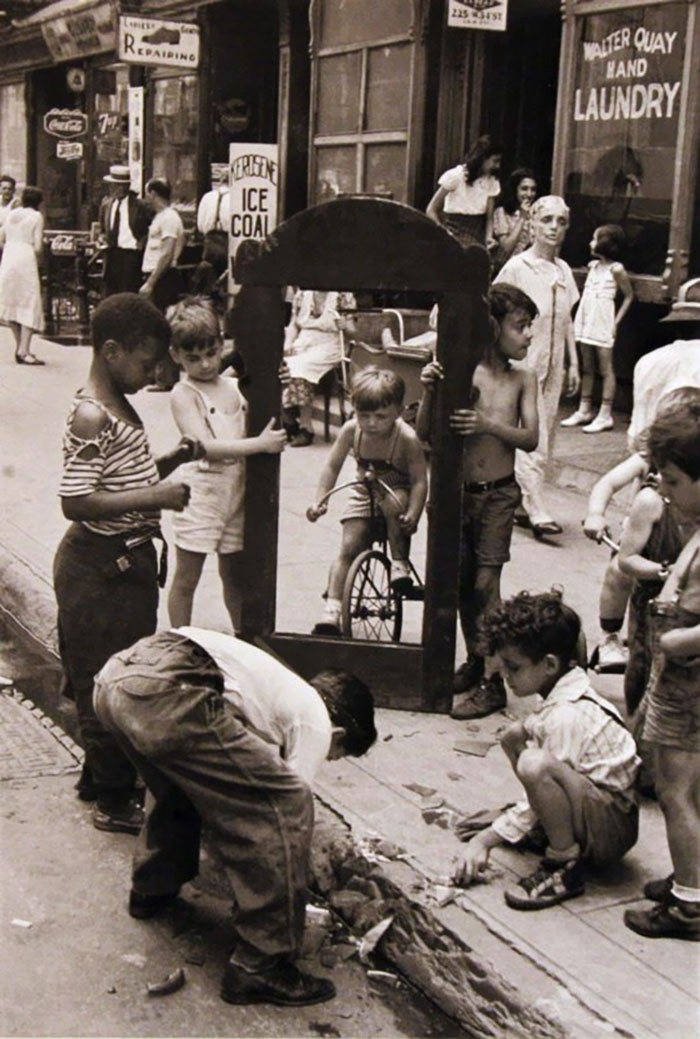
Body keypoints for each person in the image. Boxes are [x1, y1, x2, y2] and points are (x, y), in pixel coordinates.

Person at [92, 625, 377, 1005]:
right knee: (287, 803)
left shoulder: (271, 685)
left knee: (180, 784)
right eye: (337, 754)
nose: (329, 758)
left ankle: (152, 888)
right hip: (168, 688)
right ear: (338, 732)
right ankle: (259, 967)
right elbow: (287, 809)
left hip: (119, 677)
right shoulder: (316, 720)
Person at [53, 294, 198, 835]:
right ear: (111, 352)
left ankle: (100, 777)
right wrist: (156, 499)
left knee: (111, 672)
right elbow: (76, 501)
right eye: (146, 362)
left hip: (123, 564)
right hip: (99, 568)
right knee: (107, 681)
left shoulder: (115, 405)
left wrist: (171, 461)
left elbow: (122, 482)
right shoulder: (93, 413)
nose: (153, 373)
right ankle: (114, 800)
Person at [451, 590, 640, 910]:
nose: (503, 675)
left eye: (513, 667)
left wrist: (486, 840)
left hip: (611, 828)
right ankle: (550, 830)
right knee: (513, 736)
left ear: (550, 664)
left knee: (534, 764)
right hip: (593, 806)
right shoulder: (561, 690)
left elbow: (544, 772)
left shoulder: (566, 714)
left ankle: (563, 863)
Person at [416, 284, 539, 718]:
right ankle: (477, 659)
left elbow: (531, 437)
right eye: (520, 327)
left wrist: (488, 424)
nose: (527, 336)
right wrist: (430, 388)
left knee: (487, 585)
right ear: (492, 329)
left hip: (499, 496)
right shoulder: (461, 372)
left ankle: (494, 681)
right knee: (464, 585)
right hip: (459, 496)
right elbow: (424, 433)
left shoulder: (523, 379)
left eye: (529, 328)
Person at [623, 402, 700, 942]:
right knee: (688, 791)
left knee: (675, 793)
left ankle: (690, 907)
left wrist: (675, 640)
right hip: (677, 680)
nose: (665, 491)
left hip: (689, 681)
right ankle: (691, 877)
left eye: (673, 480)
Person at [166, 296, 287, 630]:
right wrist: (259, 445)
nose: (205, 364)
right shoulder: (183, 393)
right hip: (201, 493)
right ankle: (180, 638)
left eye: (211, 353)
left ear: (222, 345)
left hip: (236, 491)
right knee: (187, 576)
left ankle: (242, 636)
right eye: (193, 357)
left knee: (234, 574)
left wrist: (278, 376)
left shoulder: (233, 386)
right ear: (175, 355)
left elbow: (262, 391)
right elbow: (203, 446)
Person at [308, 367, 428, 635]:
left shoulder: (406, 438)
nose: (371, 422)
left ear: (398, 411)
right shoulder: (352, 431)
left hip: (396, 490)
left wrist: (414, 514)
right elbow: (332, 466)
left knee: (394, 503)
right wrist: (320, 501)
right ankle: (332, 610)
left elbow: (420, 480)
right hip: (364, 491)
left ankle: (399, 564)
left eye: (380, 416)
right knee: (349, 545)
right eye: (364, 415)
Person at [495, 196, 581, 538]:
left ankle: (519, 500)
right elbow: (498, 307)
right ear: (532, 224)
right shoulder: (519, 268)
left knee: (548, 430)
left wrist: (574, 363)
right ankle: (536, 507)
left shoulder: (562, 271)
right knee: (535, 430)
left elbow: (567, 321)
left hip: (554, 360)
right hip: (525, 359)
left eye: (561, 222)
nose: (554, 228)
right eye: (547, 220)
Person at [561, 224, 634, 434]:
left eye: (595, 239)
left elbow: (629, 296)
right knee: (587, 365)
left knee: (605, 368)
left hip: (603, 321)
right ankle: (584, 409)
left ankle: (605, 414)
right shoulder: (593, 266)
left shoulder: (617, 269)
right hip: (587, 318)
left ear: (606, 243)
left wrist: (616, 322)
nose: (591, 243)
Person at [281, 288, 356, 447]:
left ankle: (306, 427)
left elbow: (353, 332)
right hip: (303, 342)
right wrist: (288, 344)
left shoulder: (342, 296)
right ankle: (288, 419)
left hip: (330, 345)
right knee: (278, 364)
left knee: (299, 367)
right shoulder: (302, 294)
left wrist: (345, 326)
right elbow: (293, 325)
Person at [426, 134, 502, 250]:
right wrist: (444, 234)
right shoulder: (456, 176)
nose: (497, 166)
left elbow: (489, 216)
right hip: (454, 232)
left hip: (478, 234)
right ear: (483, 158)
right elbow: (431, 209)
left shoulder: (492, 181)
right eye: (495, 161)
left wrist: (488, 237)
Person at [0, 184, 45, 366]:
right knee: (29, 302)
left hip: (9, 257)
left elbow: (1, 239)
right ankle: (24, 350)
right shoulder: (36, 216)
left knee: (11, 302)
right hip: (25, 258)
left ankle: (20, 347)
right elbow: (38, 245)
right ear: (39, 202)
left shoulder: (11, 214)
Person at [99, 165, 152, 296]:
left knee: (129, 292)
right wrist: (101, 239)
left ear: (127, 187)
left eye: (119, 185)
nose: (115, 189)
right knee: (110, 292)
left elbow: (153, 227)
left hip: (131, 255)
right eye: (113, 185)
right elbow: (102, 229)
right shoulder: (106, 204)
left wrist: (143, 241)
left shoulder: (141, 206)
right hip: (111, 254)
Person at [140, 177, 186, 313]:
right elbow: (182, 240)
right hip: (156, 274)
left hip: (161, 277)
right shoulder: (160, 216)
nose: (145, 198)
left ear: (153, 194)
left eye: (146, 193)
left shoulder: (168, 217)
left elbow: (167, 252)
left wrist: (151, 282)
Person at [492, 167, 537, 270]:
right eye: (524, 189)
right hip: (508, 269)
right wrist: (522, 217)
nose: (529, 194)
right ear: (515, 190)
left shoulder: (536, 214)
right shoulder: (502, 212)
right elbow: (505, 249)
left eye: (533, 189)